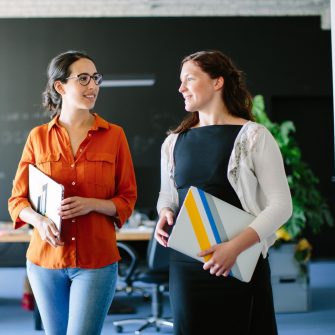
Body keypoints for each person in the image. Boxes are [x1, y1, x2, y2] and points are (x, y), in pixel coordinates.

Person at [154, 50, 292, 335]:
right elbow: (167, 196)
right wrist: (165, 213)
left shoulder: (254, 137)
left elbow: (281, 206)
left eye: (189, 79)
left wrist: (234, 248)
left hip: (239, 261)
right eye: (181, 81)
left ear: (217, 82)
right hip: (187, 265)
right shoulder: (173, 142)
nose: (181, 88)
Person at [8, 50, 137, 335]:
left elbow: (127, 198)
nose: (93, 86)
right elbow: (17, 201)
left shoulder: (115, 136)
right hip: (45, 262)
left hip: (96, 262)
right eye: (83, 79)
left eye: (95, 78)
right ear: (60, 86)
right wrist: (39, 220)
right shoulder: (37, 137)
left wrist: (93, 204)